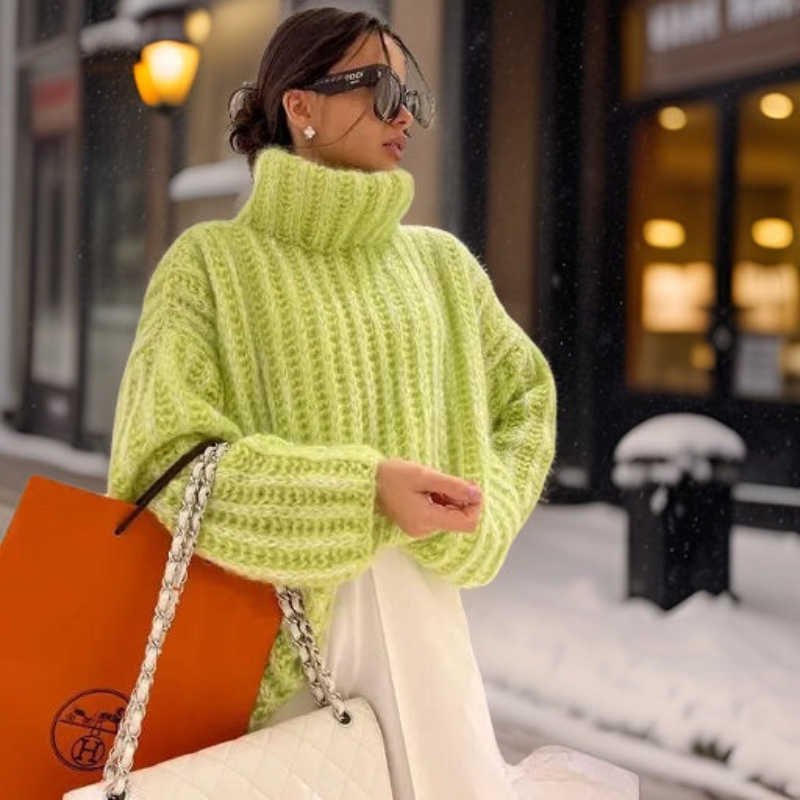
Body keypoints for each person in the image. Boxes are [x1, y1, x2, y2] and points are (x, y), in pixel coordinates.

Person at [108, 7, 637, 799]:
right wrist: (362, 493)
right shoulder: (211, 267)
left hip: (424, 640)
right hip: (267, 645)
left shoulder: (441, 268)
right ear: (301, 105)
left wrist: (480, 511)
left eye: (411, 93)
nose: (403, 115)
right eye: (380, 87)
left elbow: (527, 397)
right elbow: (163, 464)